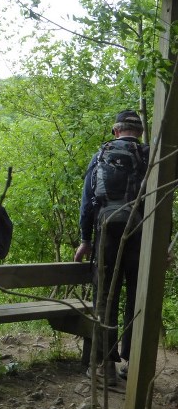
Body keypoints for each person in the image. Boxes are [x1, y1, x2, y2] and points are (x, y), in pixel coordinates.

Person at [74, 110, 148, 386]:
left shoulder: (101, 155)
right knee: (137, 296)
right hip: (141, 231)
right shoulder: (148, 157)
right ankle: (134, 361)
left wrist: (85, 240)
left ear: (115, 131)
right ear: (139, 132)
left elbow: (87, 202)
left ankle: (104, 367)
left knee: (105, 296)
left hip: (106, 230)